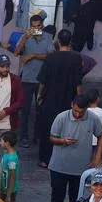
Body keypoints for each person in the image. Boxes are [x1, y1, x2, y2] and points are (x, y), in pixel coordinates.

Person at [36, 30, 85, 169]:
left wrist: (40, 96)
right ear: (70, 42)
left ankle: (45, 159)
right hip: (68, 99)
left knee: (48, 129)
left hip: (50, 98)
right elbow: (78, 83)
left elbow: (43, 81)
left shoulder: (51, 58)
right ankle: (63, 159)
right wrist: (79, 99)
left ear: (58, 41)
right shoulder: (76, 58)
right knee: (67, 129)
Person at [14, 13, 54, 147]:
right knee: (24, 110)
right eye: (33, 26)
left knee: (40, 110)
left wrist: (33, 55)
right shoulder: (25, 37)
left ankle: (37, 136)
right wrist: (26, 37)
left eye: (38, 26)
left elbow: (50, 56)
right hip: (27, 79)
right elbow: (16, 52)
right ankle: (23, 137)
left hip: (42, 80)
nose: (35, 28)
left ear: (42, 25)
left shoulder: (48, 37)